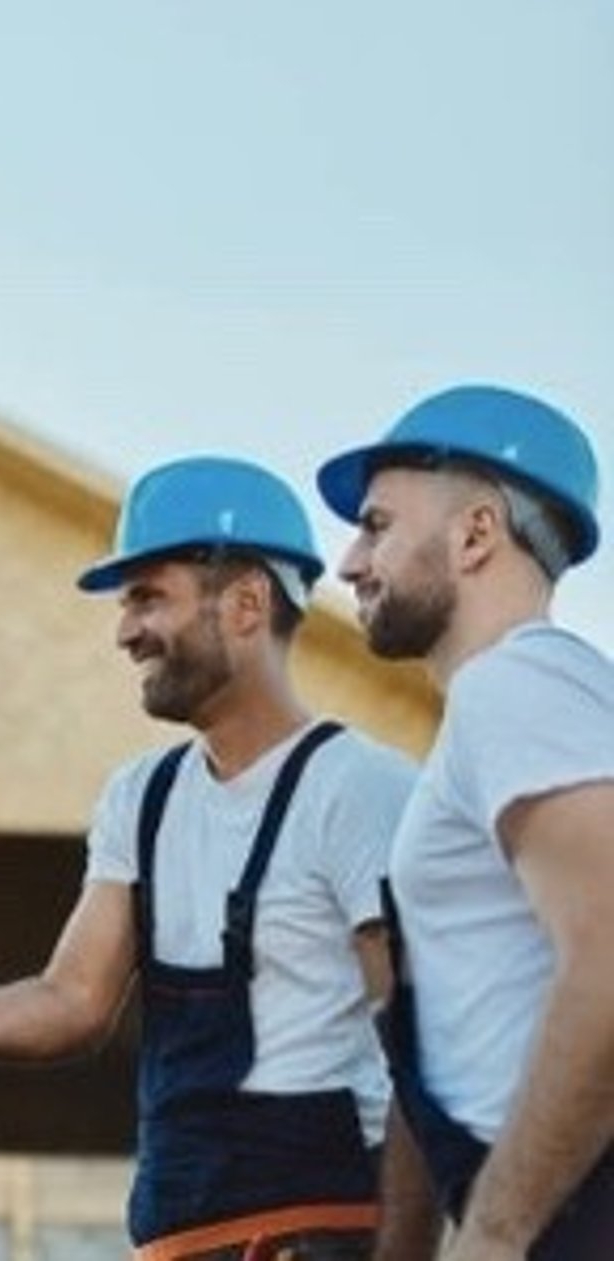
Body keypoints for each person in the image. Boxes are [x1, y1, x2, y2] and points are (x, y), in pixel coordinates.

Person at [0, 456, 416, 1258]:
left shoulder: (362, 790)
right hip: (174, 1238)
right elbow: (72, 998)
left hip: (320, 1236)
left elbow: (422, 1047)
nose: (125, 631)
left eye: (148, 597)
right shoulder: (142, 798)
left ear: (247, 603)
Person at [317, 384, 613, 1260]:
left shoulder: (515, 687)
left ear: (477, 533)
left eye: (376, 525)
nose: (348, 561)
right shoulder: (543, 701)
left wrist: (494, 1228)